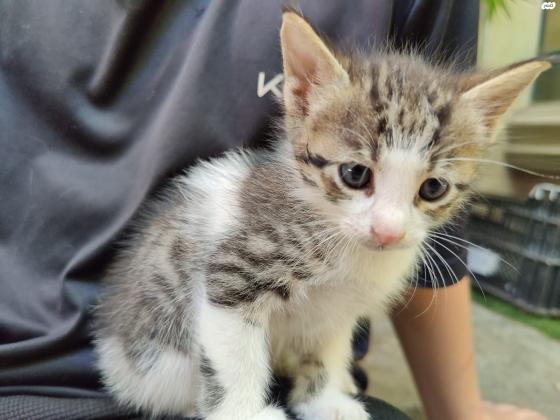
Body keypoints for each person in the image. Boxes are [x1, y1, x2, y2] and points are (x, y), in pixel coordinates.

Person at [0, 1, 546, 419]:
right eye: (356, 175)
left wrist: (460, 406)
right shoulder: (284, 213)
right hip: (159, 359)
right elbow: (230, 297)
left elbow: (336, 313)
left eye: (431, 191)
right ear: (303, 97)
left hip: (273, 375)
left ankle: (318, 386)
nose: (391, 225)